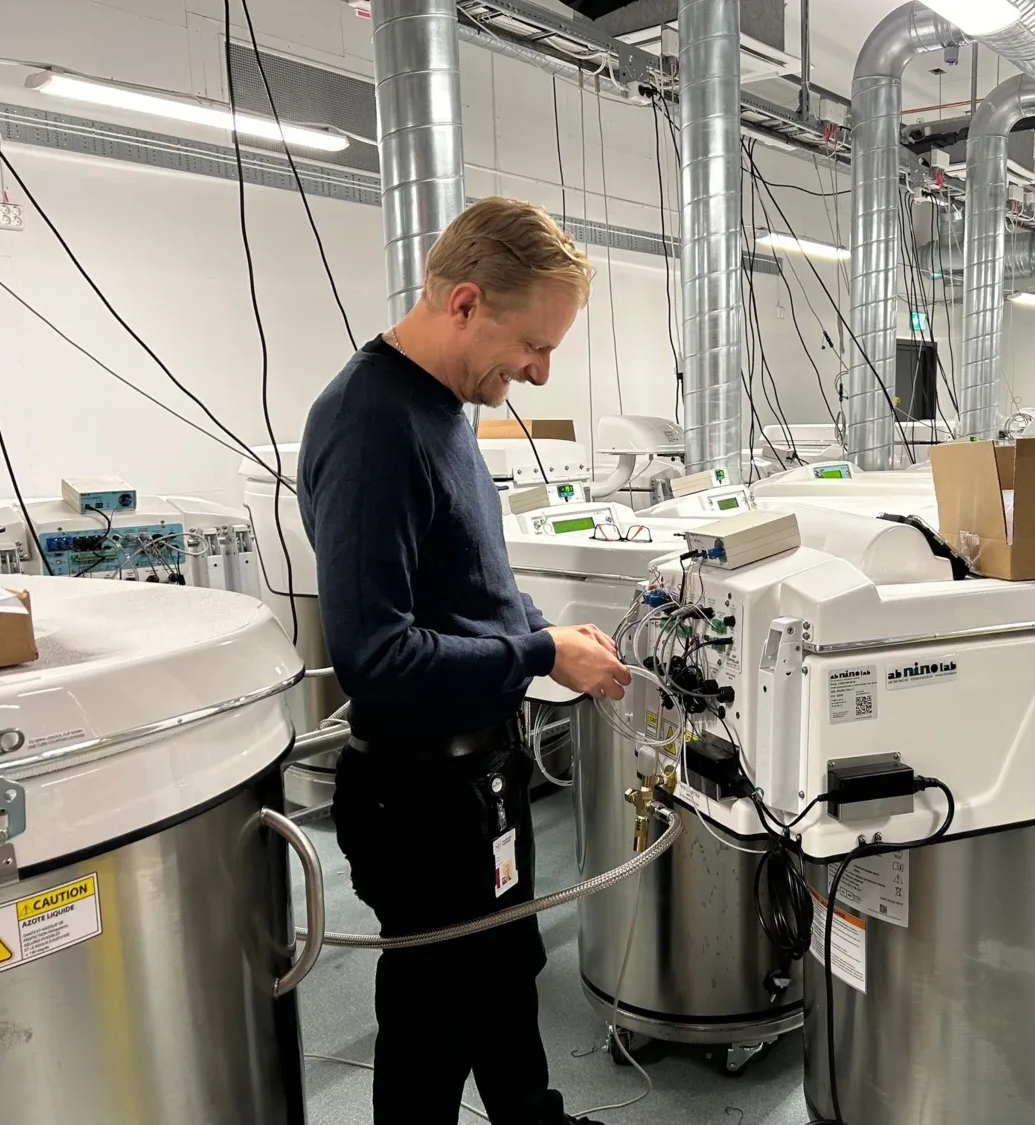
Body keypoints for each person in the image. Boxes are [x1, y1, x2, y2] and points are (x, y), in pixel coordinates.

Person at [298, 196, 632, 1125]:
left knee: (503, 974)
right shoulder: (372, 424)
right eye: (533, 343)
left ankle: (533, 1115)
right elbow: (376, 655)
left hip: (479, 777)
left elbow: (471, 575)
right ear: (466, 303)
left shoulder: (445, 409)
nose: (539, 368)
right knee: (431, 1020)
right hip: (419, 800)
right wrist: (536, 651)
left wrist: (544, 631)